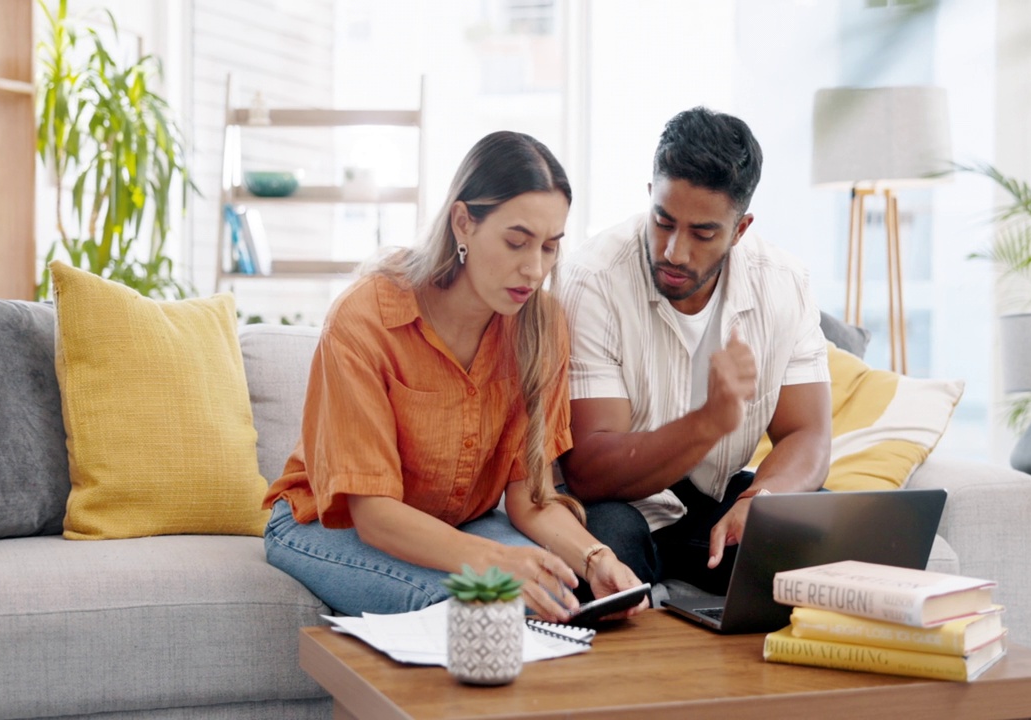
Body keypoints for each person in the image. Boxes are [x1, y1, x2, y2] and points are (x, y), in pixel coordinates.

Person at [262, 131, 648, 621]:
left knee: (574, 599)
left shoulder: (540, 326)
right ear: (463, 222)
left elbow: (528, 499)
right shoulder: (365, 320)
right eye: (517, 241)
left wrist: (597, 560)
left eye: (550, 247)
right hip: (327, 526)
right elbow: (374, 516)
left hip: (459, 526)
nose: (535, 269)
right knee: (478, 610)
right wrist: (497, 562)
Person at [558, 107, 833, 596]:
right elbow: (589, 471)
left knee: (818, 528)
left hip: (716, 496)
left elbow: (807, 433)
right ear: (650, 197)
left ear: (740, 229)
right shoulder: (593, 280)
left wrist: (762, 499)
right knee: (609, 536)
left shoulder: (784, 284)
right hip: (620, 505)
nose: (674, 252)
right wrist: (709, 422)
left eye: (703, 233)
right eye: (663, 221)